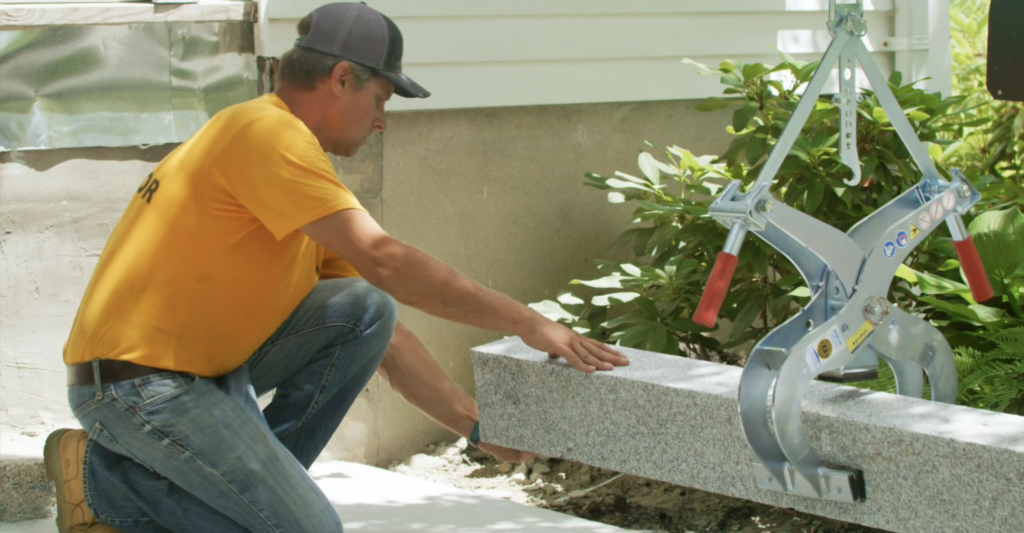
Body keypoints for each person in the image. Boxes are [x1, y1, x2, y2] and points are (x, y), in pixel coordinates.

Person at [43, 3, 628, 532]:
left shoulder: (296, 173)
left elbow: (382, 332)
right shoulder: (266, 134)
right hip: (139, 387)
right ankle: (104, 485)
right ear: (341, 78)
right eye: (380, 100)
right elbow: (387, 260)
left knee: (363, 310)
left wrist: (476, 427)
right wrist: (527, 322)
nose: (382, 121)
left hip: (206, 379)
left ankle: (242, 496)